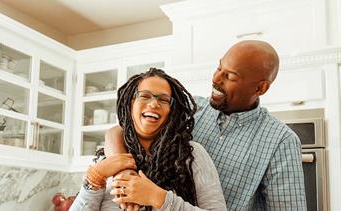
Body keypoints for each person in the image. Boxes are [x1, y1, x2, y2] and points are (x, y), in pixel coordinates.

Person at [105, 40, 307, 210]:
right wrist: (122, 170)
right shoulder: (192, 108)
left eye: (230, 76)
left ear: (260, 88)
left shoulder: (280, 140)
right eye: (219, 68)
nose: (216, 78)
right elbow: (123, 130)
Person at [70, 68, 227, 210]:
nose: (153, 104)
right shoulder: (105, 159)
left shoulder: (192, 155)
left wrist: (159, 198)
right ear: (130, 103)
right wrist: (94, 179)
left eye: (164, 100)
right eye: (144, 96)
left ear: (171, 111)